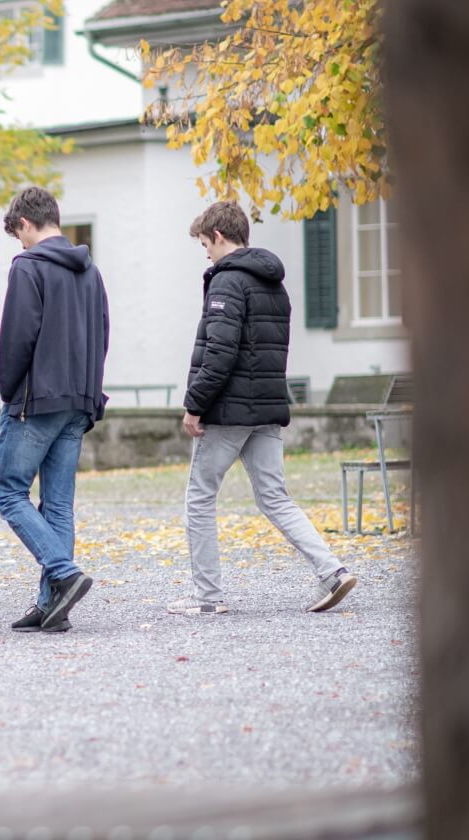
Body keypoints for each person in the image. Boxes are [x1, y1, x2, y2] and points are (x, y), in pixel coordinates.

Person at [170, 201, 359, 615]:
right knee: (275, 497)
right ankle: (333, 571)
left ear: (219, 237)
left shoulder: (226, 282)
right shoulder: (273, 282)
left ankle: (207, 599)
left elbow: (219, 352)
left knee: (200, 498)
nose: (205, 253)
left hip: (229, 412)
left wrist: (194, 404)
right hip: (269, 407)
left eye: (205, 244)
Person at [0, 186, 109, 633]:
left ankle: (63, 573)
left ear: (25, 223)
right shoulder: (91, 271)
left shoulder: (28, 266)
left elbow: (17, 336)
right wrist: (91, 394)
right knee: (58, 506)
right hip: (79, 399)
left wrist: (8, 390)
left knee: (9, 493)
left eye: (17, 234)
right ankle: (51, 605)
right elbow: (102, 333)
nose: (18, 244)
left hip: (36, 400)